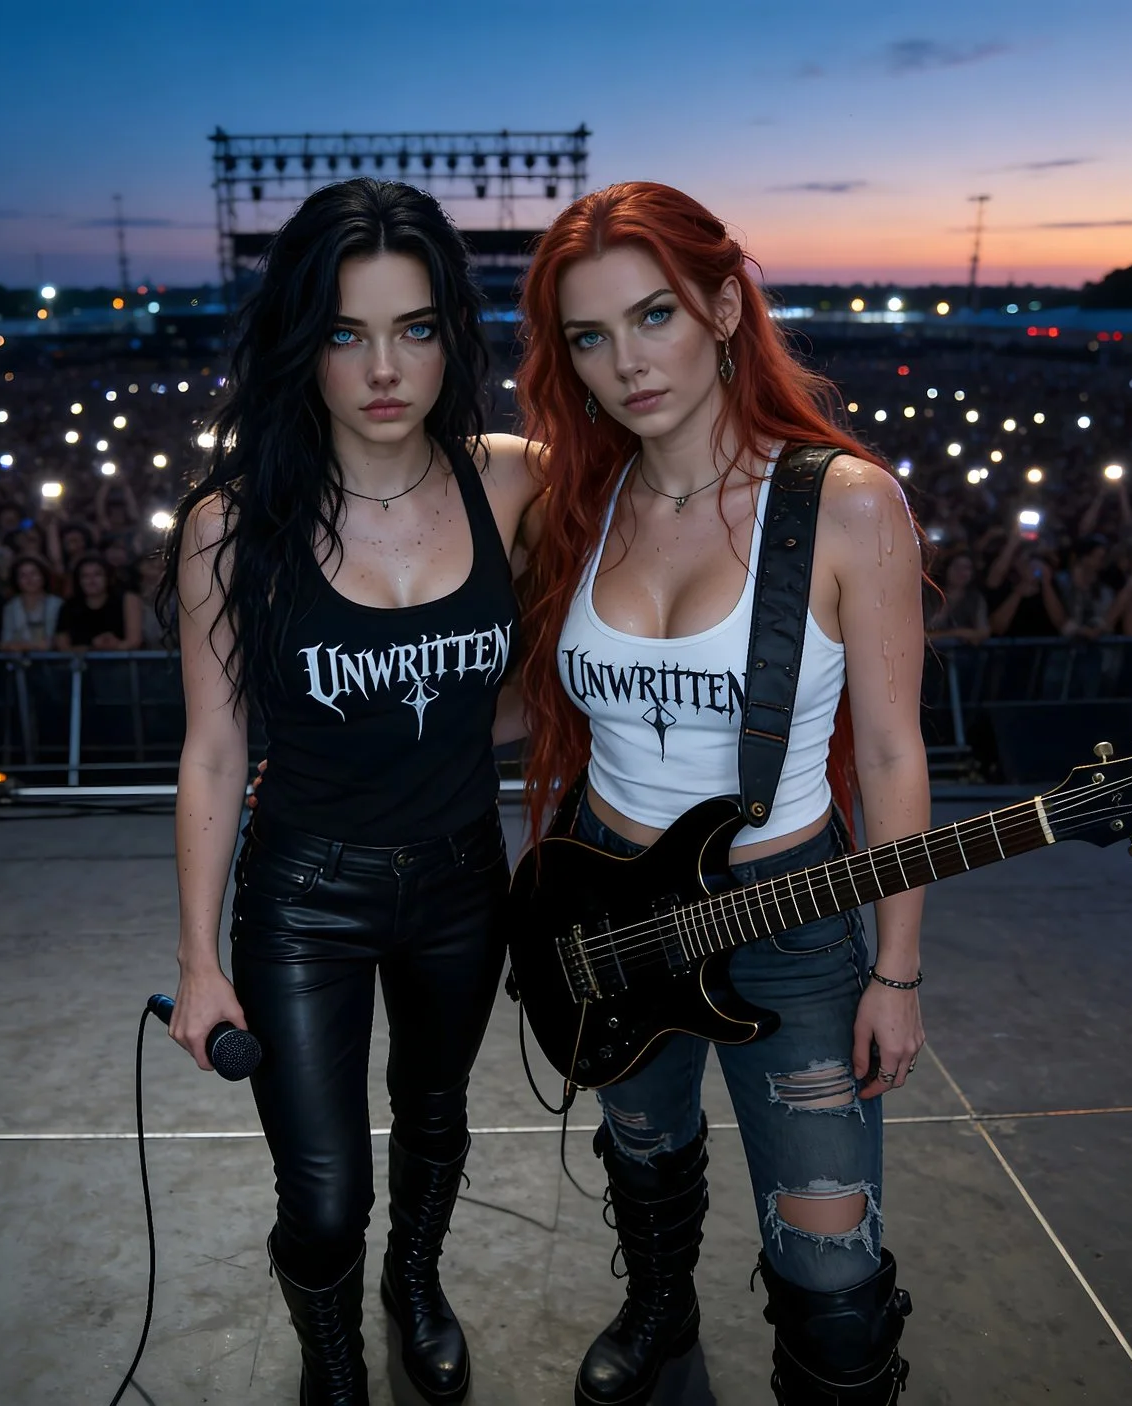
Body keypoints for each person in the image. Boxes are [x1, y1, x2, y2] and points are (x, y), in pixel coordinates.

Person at [513, 182, 925, 1405]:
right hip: (604, 897)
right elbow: (533, 692)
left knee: (830, 1266)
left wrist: (894, 972)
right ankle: (658, 1305)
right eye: (589, 335)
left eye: (653, 316)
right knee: (644, 1160)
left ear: (726, 305)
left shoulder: (845, 503)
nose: (625, 361)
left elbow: (895, 752)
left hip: (789, 920)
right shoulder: (575, 501)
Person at [159, 178, 540, 1405]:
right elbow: (214, 749)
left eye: (415, 328)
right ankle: (330, 1353)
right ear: (298, 342)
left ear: (452, 338)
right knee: (322, 1194)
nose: (385, 366)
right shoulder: (231, 525)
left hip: (460, 881)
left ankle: (413, 1285)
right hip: (303, 892)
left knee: (434, 1124)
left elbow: (560, 678)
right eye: (345, 331)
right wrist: (201, 957)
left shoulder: (514, 483)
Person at [53, 556, 143, 651]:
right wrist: (92, 647)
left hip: (123, 663)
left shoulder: (128, 599)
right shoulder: (68, 606)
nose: (91, 580)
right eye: (85, 576)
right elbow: (62, 646)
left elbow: (134, 642)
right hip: (81, 664)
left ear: (107, 577)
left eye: (97, 575)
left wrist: (115, 646)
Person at [0, 555, 61, 652]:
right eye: (23, 575)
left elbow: (54, 643)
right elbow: (5, 644)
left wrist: (22, 646)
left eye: (34, 574)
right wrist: (33, 646)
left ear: (43, 576)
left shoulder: (57, 605)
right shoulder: (11, 607)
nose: (29, 579)